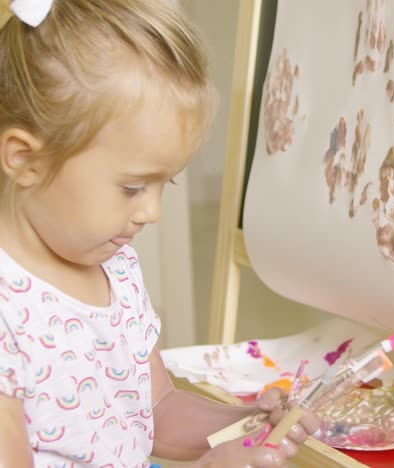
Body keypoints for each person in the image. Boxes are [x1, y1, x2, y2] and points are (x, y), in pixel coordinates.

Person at [0, 1, 319, 466]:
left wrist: (249, 425)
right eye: (132, 187)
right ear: (25, 159)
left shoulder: (116, 267)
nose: (152, 211)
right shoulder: (8, 310)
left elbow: (154, 411)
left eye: (164, 183)